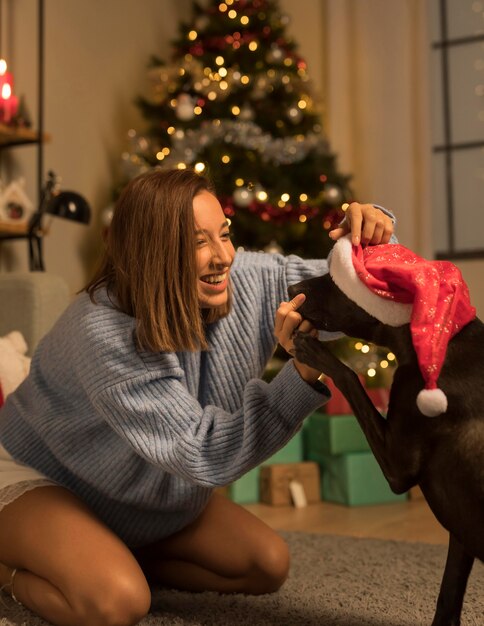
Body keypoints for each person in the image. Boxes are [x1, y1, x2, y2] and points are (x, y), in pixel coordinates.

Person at [0, 168, 394, 626]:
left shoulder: (248, 279)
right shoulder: (101, 331)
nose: (222, 256)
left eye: (224, 234)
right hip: (43, 473)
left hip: (141, 488)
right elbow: (202, 451)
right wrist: (302, 371)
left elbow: (349, 287)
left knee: (266, 564)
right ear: (151, 251)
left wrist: (372, 235)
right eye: (197, 242)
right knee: (116, 603)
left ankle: (104, 553)